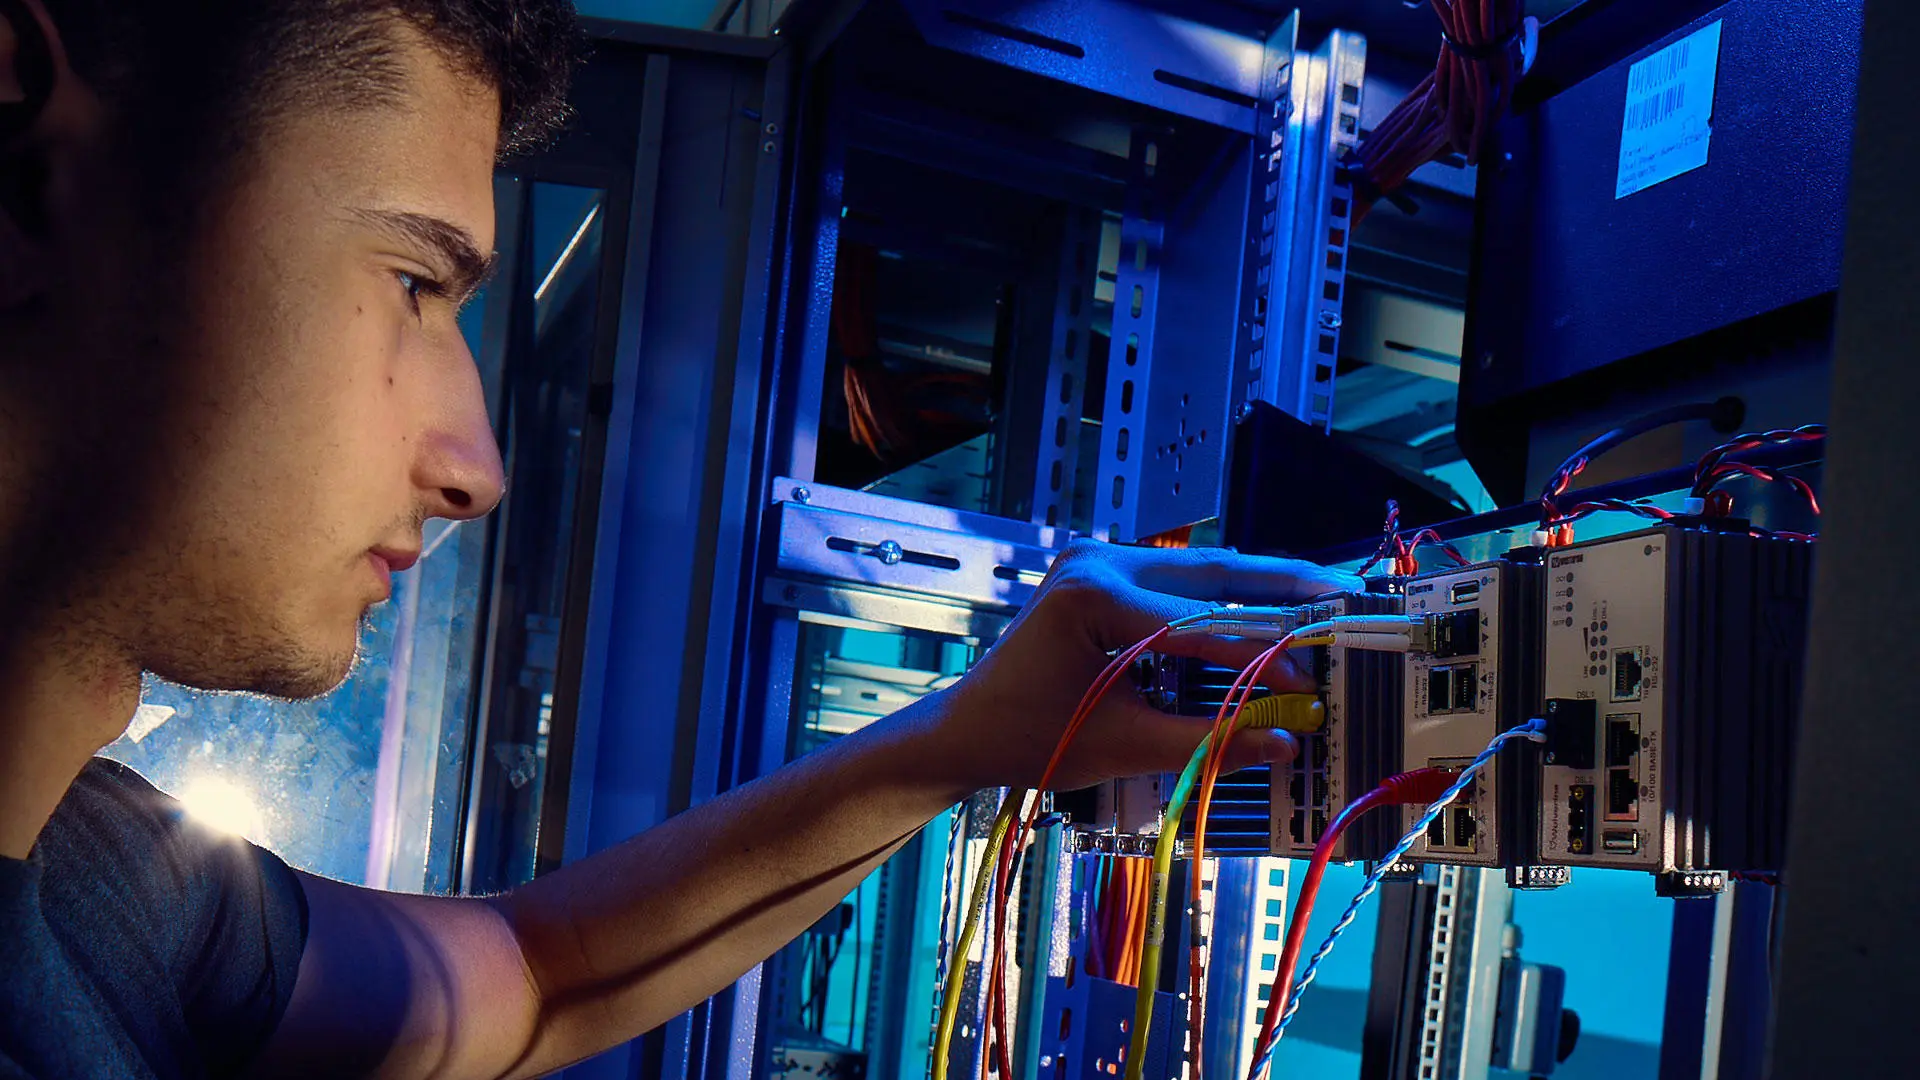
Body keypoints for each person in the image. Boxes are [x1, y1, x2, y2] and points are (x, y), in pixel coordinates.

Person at [0, 1, 1361, 1076]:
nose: (476, 468)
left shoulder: (100, 875)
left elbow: (531, 978)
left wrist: (971, 739)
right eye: (413, 280)